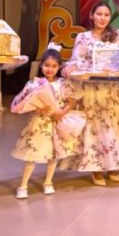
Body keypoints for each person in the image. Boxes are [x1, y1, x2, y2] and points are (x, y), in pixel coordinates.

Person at [60, 2, 119, 185]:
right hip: (93, 91)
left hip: (116, 91)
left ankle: (113, 165)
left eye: (106, 14)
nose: (102, 18)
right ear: (91, 16)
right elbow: (76, 60)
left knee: (115, 127)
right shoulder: (83, 38)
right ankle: (97, 167)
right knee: (97, 129)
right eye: (99, 14)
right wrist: (73, 67)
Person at [10, 48, 83, 198]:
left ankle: (48, 182)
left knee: (53, 154)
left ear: (59, 67)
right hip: (38, 123)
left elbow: (71, 101)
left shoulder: (62, 83)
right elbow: (27, 102)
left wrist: (61, 112)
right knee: (32, 153)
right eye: (47, 65)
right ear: (41, 65)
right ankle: (23, 185)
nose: (50, 69)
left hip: (55, 124)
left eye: (54, 66)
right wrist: (36, 108)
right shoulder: (34, 84)